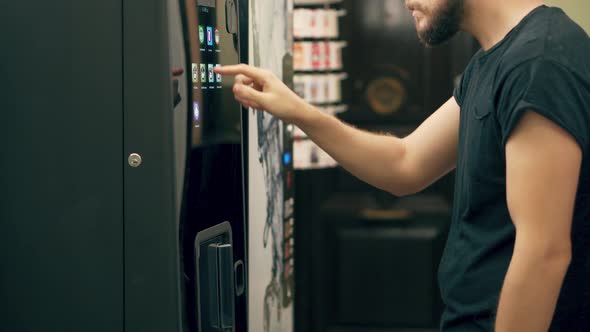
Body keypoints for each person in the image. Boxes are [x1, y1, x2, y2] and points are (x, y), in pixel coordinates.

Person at [215, 0, 590, 330]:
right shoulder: (494, 62)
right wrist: (298, 111)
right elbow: (406, 164)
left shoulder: (539, 63)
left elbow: (543, 253)